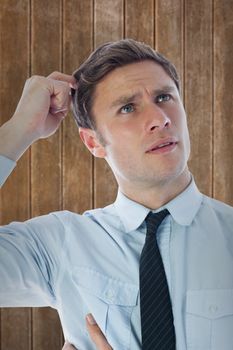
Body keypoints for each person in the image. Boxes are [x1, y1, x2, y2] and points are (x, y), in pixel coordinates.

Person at [0, 39, 233, 350]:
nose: (159, 119)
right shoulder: (58, 245)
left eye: (164, 97)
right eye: (128, 107)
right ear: (93, 142)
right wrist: (18, 130)